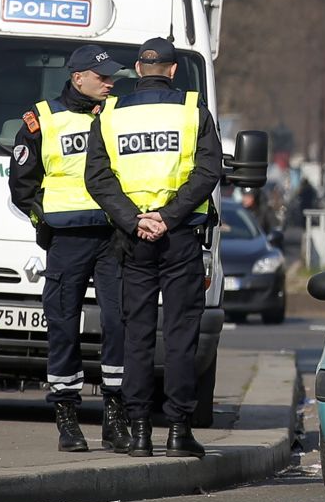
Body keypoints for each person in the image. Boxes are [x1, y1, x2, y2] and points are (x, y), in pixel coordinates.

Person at [83, 37, 223, 458]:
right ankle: (179, 431)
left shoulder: (109, 114)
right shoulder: (192, 110)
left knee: (137, 336)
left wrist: (134, 218)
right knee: (180, 335)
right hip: (178, 237)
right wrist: (170, 216)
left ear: (139, 71)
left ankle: (139, 431)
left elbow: (98, 177)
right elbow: (208, 169)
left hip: (132, 239)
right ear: (174, 71)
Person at [7, 44, 127, 453]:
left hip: (113, 237)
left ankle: (115, 414)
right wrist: (45, 222)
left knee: (119, 323)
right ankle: (67, 418)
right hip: (67, 239)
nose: (110, 82)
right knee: (63, 326)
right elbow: (22, 185)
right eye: (103, 77)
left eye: (112, 76)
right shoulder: (42, 120)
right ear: (79, 78)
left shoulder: (117, 115)